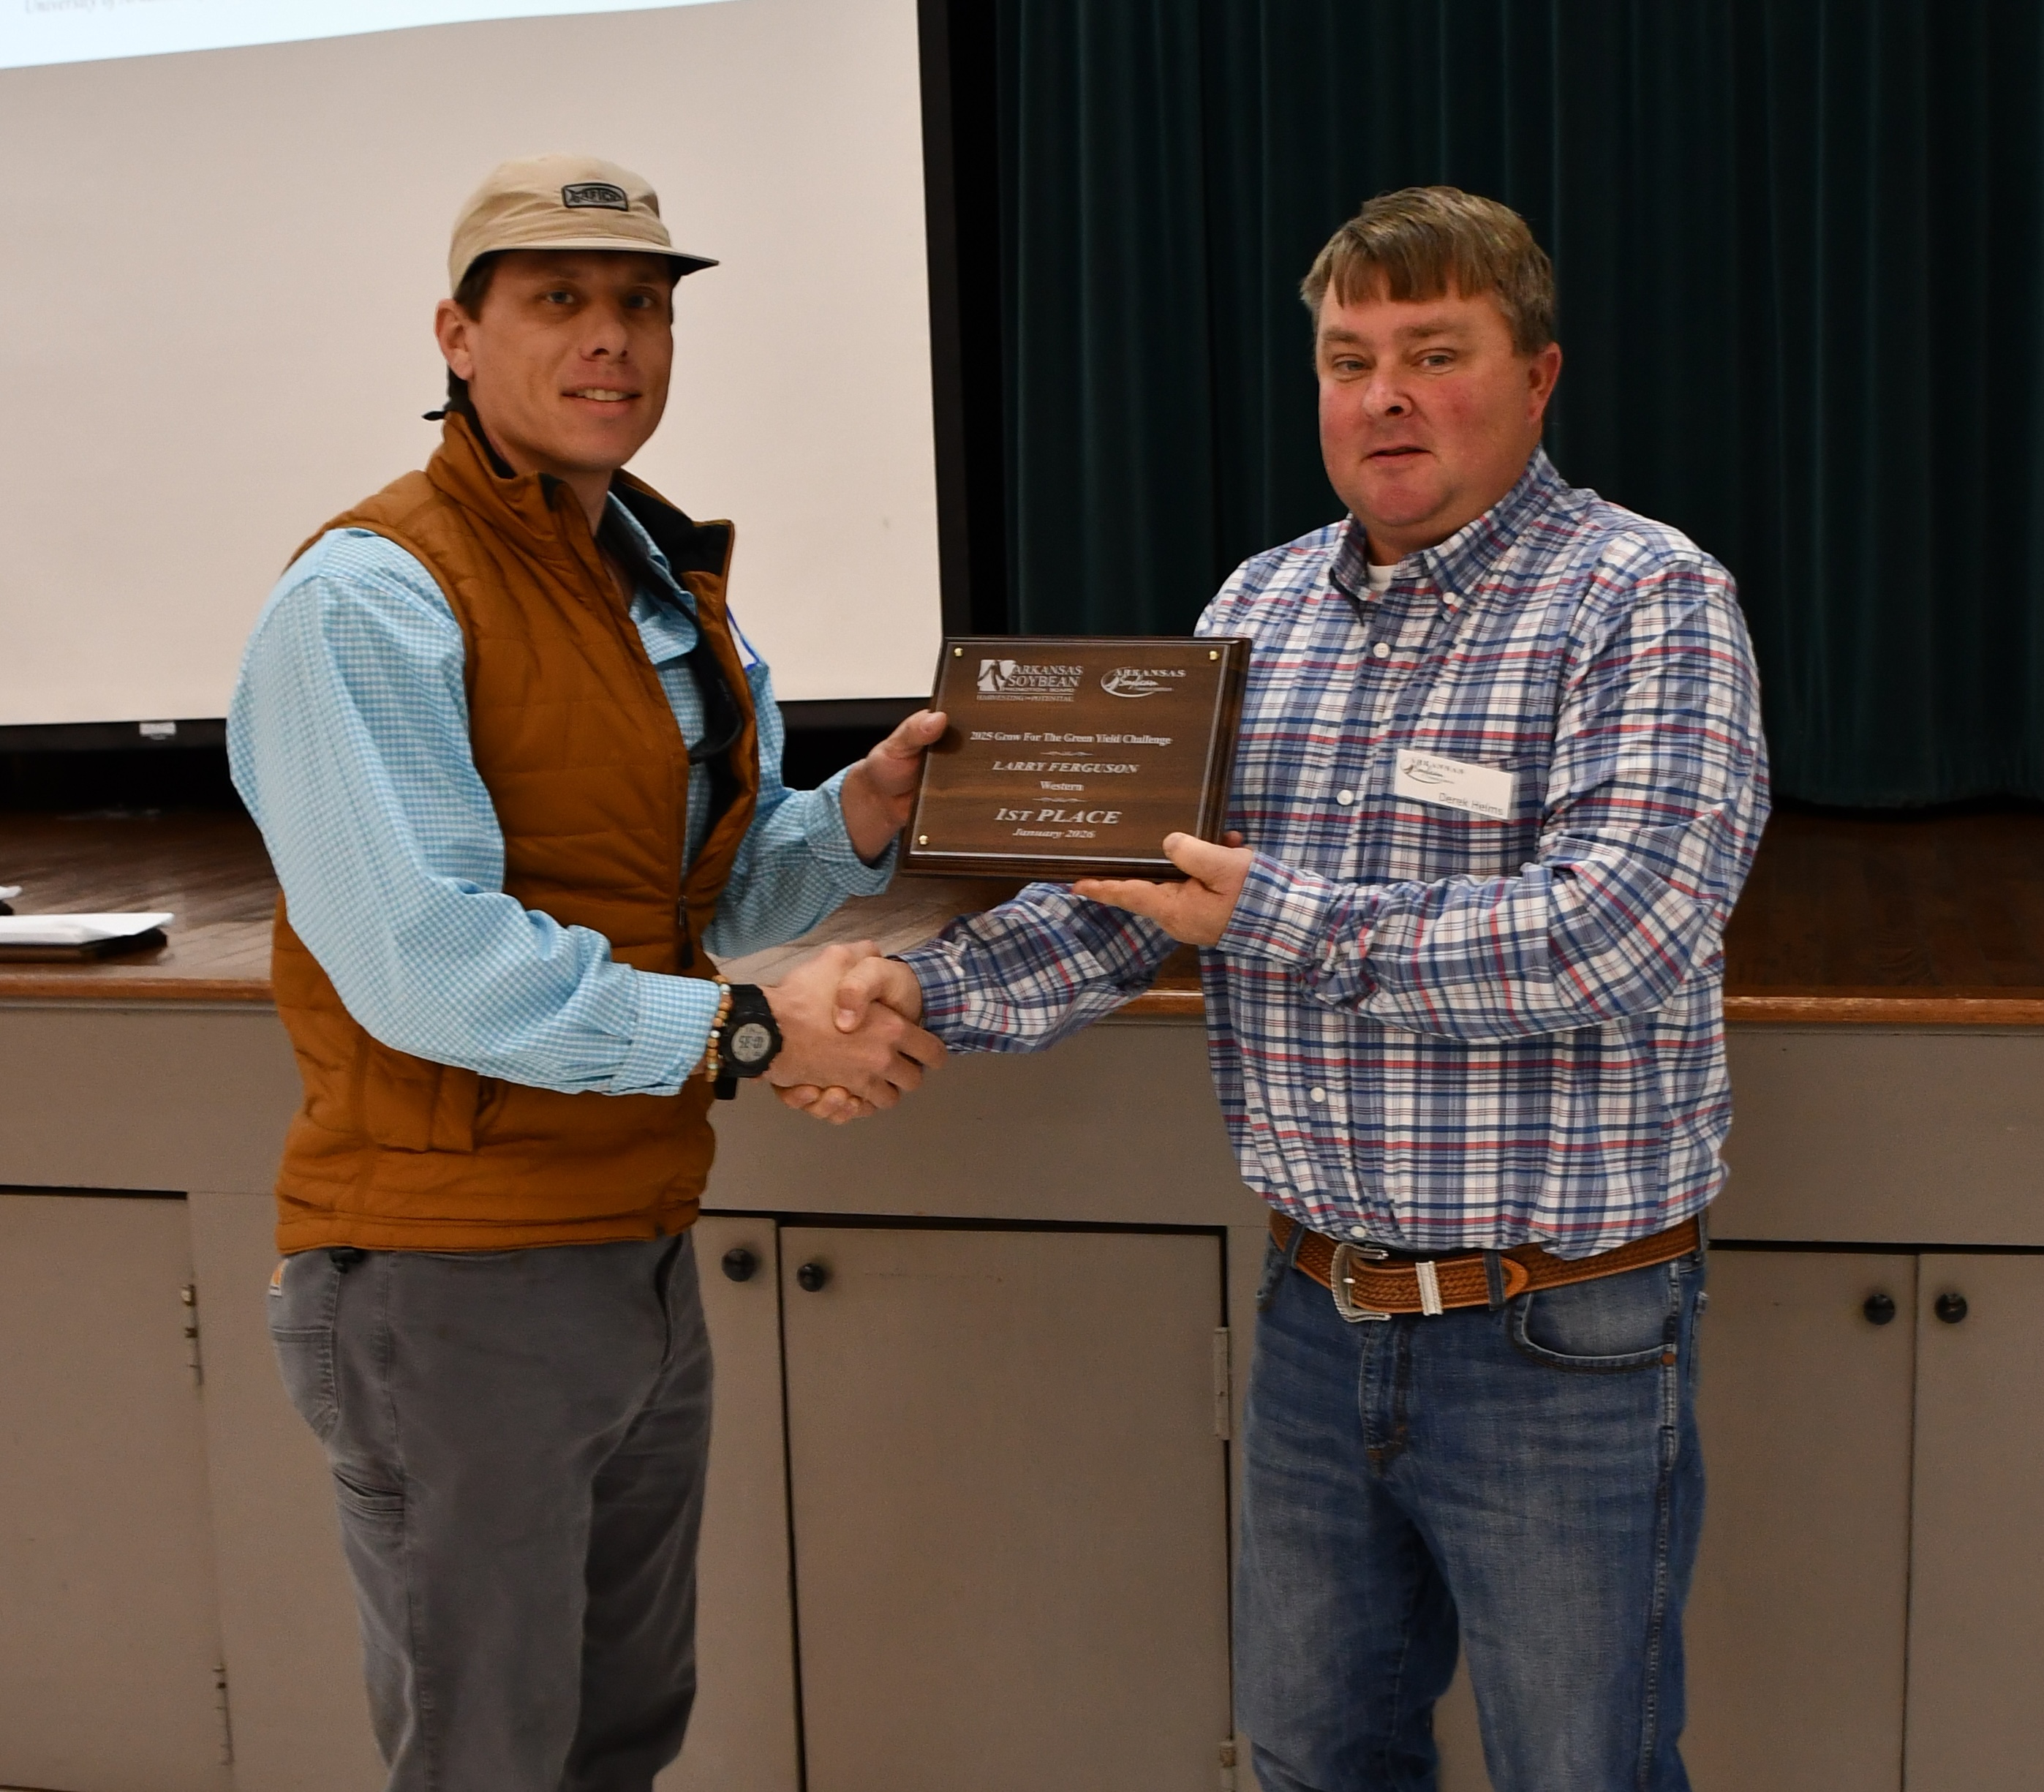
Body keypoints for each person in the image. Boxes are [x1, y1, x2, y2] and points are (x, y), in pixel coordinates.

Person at [787, 186, 1769, 1791]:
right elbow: (1132, 910)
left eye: (1435, 354)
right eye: (1348, 359)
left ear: (1538, 376)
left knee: (1581, 1770)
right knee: (1313, 1759)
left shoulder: (1644, 599)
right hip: (1318, 1316)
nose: (1384, 397)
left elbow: (1620, 931)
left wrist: (1284, 918)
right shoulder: (1257, 609)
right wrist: (913, 990)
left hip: (1560, 1333)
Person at [227, 154, 944, 1792]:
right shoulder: (371, 594)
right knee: (489, 1756)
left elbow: (683, 897)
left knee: (619, 1737)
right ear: (456, 337)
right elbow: (434, 963)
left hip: (635, 1244)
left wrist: (860, 813)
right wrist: (756, 1034)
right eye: (558, 298)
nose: (611, 336)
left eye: (640, 303)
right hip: (450, 1275)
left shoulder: (651, 575)